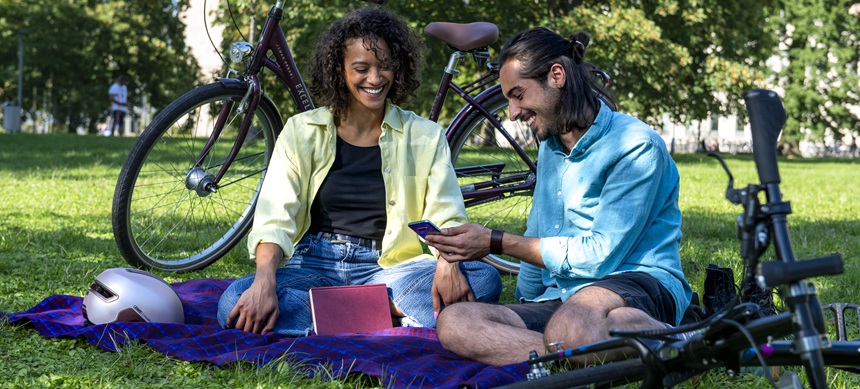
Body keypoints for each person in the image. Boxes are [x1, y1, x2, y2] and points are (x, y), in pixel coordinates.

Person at [216, 7, 502, 336]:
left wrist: (447, 262)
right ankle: (386, 317)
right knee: (234, 299)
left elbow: (447, 213)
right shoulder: (302, 131)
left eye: (385, 67)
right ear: (339, 70)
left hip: (389, 269)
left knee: (483, 278)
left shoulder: (424, 135)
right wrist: (264, 282)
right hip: (313, 264)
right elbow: (274, 217)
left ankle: (331, 316)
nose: (375, 79)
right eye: (361, 68)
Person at [425, 27, 693, 366]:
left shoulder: (635, 146)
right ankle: (585, 353)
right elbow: (540, 228)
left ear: (556, 75)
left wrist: (496, 241)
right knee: (456, 322)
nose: (512, 112)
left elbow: (601, 255)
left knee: (572, 324)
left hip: (635, 280)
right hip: (566, 298)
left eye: (518, 94)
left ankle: (686, 339)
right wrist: (527, 301)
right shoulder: (551, 149)